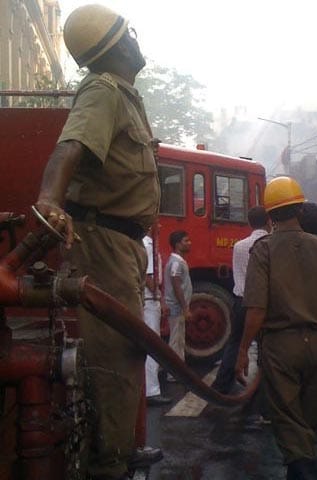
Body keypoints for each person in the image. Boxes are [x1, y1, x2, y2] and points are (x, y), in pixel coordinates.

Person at [34, 5, 161, 479]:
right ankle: (108, 465)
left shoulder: (125, 96)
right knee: (112, 353)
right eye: (131, 35)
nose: (137, 41)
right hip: (104, 240)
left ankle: (121, 449)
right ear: (121, 44)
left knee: (127, 350)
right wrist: (49, 199)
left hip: (121, 243)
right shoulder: (103, 89)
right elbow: (71, 146)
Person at [235, 177, 317, 480]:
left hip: (281, 347)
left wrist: (243, 349)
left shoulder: (264, 249)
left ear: (270, 216)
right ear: (299, 209)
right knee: (309, 426)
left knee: (288, 423)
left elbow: (257, 308)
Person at [212, 206, 271, 395]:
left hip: (241, 301)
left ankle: (221, 386)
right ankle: (263, 391)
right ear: (269, 221)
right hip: (263, 304)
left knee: (235, 343)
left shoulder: (239, 246)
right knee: (266, 346)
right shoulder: (271, 244)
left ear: (249, 222)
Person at [143, 231, 172, 406]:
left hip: (147, 299)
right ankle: (151, 390)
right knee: (152, 344)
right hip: (149, 300)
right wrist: (158, 296)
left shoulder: (144, 244)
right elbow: (148, 276)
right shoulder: (148, 246)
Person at [164, 230, 193, 368]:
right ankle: (173, 372)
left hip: (177, 307)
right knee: (176, 340)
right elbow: (177, 285)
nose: (189, 243)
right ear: (177, 244)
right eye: (186, 241)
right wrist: (185, 307)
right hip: (177, 307)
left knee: (179, 340)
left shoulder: (177, 261)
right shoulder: (176, 263)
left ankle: (177, 369)